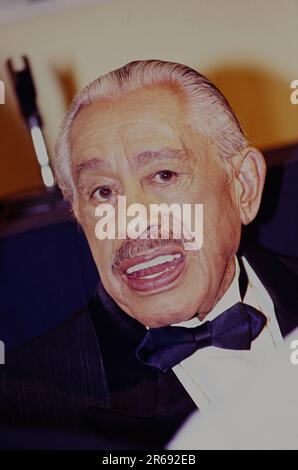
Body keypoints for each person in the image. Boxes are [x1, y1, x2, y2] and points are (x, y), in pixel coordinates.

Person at [0, 60, 297, 449]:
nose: (132, 223)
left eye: (164, 175)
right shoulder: (23, 409)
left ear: (244, 186)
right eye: (102, 192)